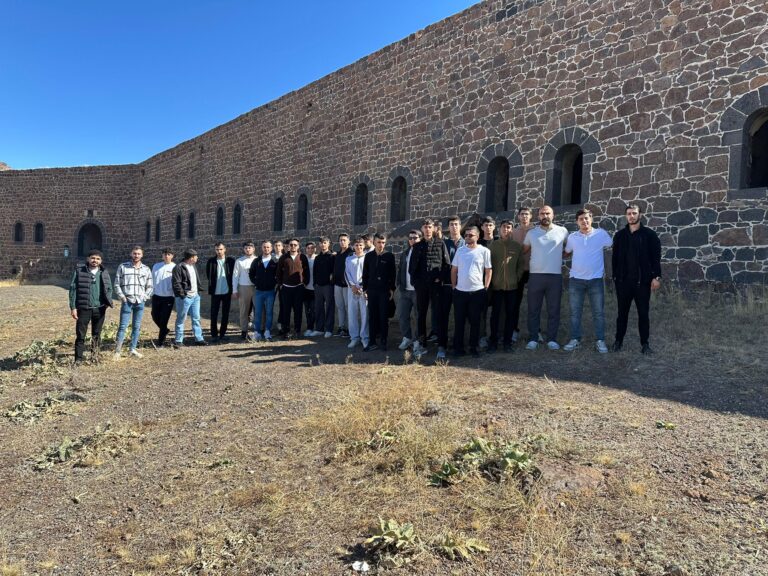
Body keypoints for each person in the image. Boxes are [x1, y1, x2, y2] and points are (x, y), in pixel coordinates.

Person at [611, 203, 662, 354]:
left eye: (634, 213)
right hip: (623, 282)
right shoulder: (620, 236)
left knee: (643, 314)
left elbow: (656, 258)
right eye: (629, 214)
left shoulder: (650, 235)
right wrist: (615, 277)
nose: (631, 216)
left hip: (643, 283)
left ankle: (645, 344)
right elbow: (614, 258)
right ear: (626, 216)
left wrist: (656, 277)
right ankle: (618, 342)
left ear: (640, 215)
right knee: (622, 314)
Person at [562, 209, 613, 354]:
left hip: (595, 280)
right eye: (581, 219)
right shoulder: (572, 237)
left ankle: (600, 340)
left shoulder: (601, 234)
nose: (584, 221)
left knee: (598, 312)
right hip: (576, 280)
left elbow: (612, 245)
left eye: (586, 218)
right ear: (577, 222)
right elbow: (567, 252)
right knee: (575, 313)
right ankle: (575, 339)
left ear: (591, 219)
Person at [523, 206, 569, 351]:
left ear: (553, 215)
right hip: (535, 276)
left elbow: (569, 249)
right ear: (538, 216)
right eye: (542, 213)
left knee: (554, 310)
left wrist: (559, 256)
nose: (545, 216)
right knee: (533, 309)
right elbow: (523, 251)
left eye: (548, 213)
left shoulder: (562, 231)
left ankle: (552, 339)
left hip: (554, 276)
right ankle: (533, 338)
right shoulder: (531, 233)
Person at [409, 218, 452, 359]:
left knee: (439, 314)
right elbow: (412, 268)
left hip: (436, 285)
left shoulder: (440, 243)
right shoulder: (417, 246)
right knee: (421, 315)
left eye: (430, 227)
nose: (427, 229)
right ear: (422, 229)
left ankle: (441, 345)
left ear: (433, 229)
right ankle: (422, 344)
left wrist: (440, 278)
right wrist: (416, 282)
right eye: (425, 227)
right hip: (421, 286)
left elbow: (447, 264)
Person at [451, 226, 492, 358]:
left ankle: (473, 348)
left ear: (477, 237)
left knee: (475, 322)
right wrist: (454, 286)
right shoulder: (460, 251)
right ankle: (458, 349)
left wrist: (486, 287)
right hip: (460, 292)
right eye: (466, 235)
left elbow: (488, 270)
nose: (467, 237)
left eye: (471, 235)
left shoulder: (484, 251)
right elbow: (454, 270)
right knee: (459, 322)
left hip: (477, 292)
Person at [69, 249, 113, 363]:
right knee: (80, 335)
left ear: (101, 261)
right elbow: (73, 289)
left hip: (99, 308)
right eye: (93, 258)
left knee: (97, 334)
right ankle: (78, 359)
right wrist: (73, 307)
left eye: (98, 259)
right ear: (88, 259)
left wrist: (107, 303)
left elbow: (109, 288)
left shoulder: (103, 272)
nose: (95, 260)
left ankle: (95, 357)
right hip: (84, 308)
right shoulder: (80, 271)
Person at [488, 219, 525, 353]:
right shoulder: (493, 246)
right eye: (504, 227)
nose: (506, 229)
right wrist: (491, 281)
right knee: (495, 315)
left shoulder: (517, 246)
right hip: (496, 287)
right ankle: (493, 342)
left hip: (512, 287)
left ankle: (507, 343)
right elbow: (488, 264)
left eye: (509, 227)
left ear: (512, 230)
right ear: (499, 229)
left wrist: (517, 277)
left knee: (510, 315)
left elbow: (521, 265)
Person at [114, 245, 153, 359]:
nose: (136, 255)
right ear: (131, 254)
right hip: (127, 301)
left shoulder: (146, 269)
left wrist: (145, 297)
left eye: (138, 254)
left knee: (136, 326)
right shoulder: (123, 267)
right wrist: (122, 297)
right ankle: (117, 351)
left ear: (142, 255)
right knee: (123, 326)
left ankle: (132, 349)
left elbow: (150, 286)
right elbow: (117, 283)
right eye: (134, 253)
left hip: (140, 302)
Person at [362, 233, 396, 351]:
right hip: (371, 291)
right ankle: (372, 342)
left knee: (383, 316)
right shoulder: (369, 256)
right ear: (374, 242)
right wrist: (365, 289)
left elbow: (393, 274)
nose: (381, 245)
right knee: (372, 316)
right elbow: (365, 274)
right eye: (378, 242)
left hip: (384, 291)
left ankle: (383, 341)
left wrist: (392, 289)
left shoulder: (389, 256)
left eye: (383, 242)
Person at [172, 249, 207, 347]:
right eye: (196, 256)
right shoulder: (179, 267)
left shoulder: (193, 266)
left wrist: (198, 292)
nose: (197, 258)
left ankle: (199, 338)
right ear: (191, 258)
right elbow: (176, 283)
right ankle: (178, 340)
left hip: (195, 296)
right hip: (185, 297)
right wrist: (183, 295)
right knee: (181, 318)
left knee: (196, 318)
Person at [276, 238, 310, 337]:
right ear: (288, 246)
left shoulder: (302, 257)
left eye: (295, 245)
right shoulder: (283, 258)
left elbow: (306, 271)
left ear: (298, 246)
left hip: (299, 288)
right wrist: (280, 284)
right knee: (286, 310)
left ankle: (297, 330)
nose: (293, 246)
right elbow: (278, 272)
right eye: (291, 245)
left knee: (298, 310)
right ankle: (286, 331)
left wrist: (305, 283)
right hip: (286, 288)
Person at [510, 207, 534, 342]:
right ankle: (514, 329)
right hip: (517, 271)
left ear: (531, 216)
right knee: (515, 302)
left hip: (534, 270)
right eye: (522, 214)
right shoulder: (513, 232)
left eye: (527, 214)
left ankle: (535, 331)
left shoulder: (536, 231)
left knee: (534, 302)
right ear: (518, 216)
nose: (524, 216)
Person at [205, 242, 236, 342]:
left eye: (221, 249)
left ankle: (223, 334)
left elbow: (234, 275)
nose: (219, 251)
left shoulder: (230, 261)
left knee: (225, 313)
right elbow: (208, 274)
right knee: (214, 313)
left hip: (227, 292)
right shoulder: (211, 261)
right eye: (217, 249)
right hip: (215, 292)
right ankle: (214, 334)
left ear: (225, 249)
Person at [397, 229, 421, 350]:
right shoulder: (405, 253)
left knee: (418, 317)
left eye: (415, 238)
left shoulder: (423, 252)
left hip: (417, 291)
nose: (412, 240)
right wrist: (399, 284)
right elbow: (400, 269)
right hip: (405, 290)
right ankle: (407, 338)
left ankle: (417, 340)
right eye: (410, 238)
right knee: (402, 315)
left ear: (420, 239)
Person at [249, 240, 278, 342]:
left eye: (268, 247)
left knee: (269, 312)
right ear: (261, 248)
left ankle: (267, 331)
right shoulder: (256, 261)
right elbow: (251, 273)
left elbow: (278, 274)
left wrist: (274, 283)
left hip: (270, 291)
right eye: (264, 247)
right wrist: (256, 282)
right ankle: (257, 332)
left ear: (271, 248)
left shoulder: (275, 261)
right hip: (259, 291)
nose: (266, 249)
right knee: (258, 312)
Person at [345, 237, 369, 349]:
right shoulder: (349, 259)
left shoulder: (367, 258)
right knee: (352, 313)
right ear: (353, 246)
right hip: (352, 290)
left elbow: (369, 274)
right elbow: (346, 273)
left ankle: (365, 338)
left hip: (364, 290)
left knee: (365, 314)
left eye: (360, 245)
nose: (358, 247)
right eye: (356, 245)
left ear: (364, 246)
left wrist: (362, 287)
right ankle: (354, 337)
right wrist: (353, 286)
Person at [150, 248, 176, 347]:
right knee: (154, 316)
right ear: (162, 256)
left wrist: (174, 294)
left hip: (168, 297)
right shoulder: (156, 266)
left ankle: (160, 342)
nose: (166, 256)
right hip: (156, 296)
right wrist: (151, 293)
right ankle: (165, 330)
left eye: (169, 254)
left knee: (164, 320)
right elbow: (152, 279)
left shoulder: (175, 267)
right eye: (165, 254)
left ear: (172, 256)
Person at [232, 241, 257, 340]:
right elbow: (235, 276)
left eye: (250, 248)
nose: (248, 249)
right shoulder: (239, 261)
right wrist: (234, 290)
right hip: (244, 287)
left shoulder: (257, 260)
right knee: (244, 310)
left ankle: (258, 329)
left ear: (253, 249)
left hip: (255, 287)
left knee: (258, 309)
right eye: (246, 248)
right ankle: (244, 330)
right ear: (244, 249)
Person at [312, 236, 335, 338]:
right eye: (321, 243)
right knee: (318, 307)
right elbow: (315, 271)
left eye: (325, 242)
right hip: (318, 286)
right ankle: (319, 329)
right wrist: (315, 283)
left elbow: (334, 271)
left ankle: (329, 329)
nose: (323, 244)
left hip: (328, 286)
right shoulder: (317, 257)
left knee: (329, 307)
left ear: (328, 244)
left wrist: (331, 282)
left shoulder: (332, 256)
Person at [333, 233, 352, 337]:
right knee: (340, 306)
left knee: (348, 307)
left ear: (348, 241)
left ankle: (349, 328)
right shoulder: (338, 254)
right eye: (340, 240)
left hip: (347, 285)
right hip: (337, 284)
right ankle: (341, 327)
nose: (342, 242)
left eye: (344, 240)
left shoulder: (351, 253)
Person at [302, 241, 317, 337]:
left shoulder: (317, 258)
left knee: (313, 309)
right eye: (308, 248)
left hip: (315, 288)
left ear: (315, 249)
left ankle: (312, 327)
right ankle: (309, 327)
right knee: (307, 309)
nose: (310, 250)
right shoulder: (303, 259)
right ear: (306, 249)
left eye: (312, 248)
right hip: (305, 288)